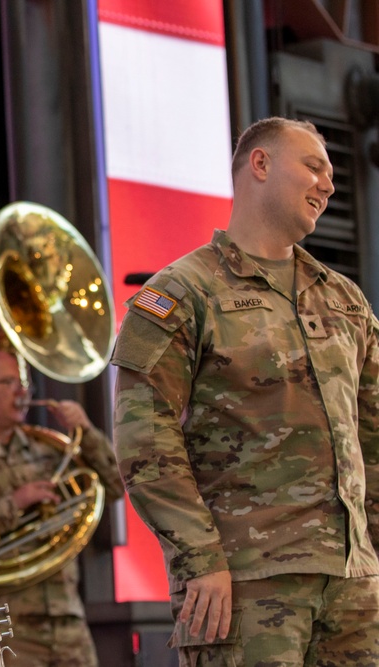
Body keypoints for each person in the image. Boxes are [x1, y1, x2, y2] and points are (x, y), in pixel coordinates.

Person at [112, 116, 379, 665]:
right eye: (313, 167)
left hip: (353, 588)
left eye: (330, 174)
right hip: (243, 581)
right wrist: (200, 556)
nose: (328, 185)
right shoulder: (181, 292)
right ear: (260, 164)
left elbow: (373, 436)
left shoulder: (345, 300)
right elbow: (145, 442)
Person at [0, 350, 125, 666]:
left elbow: (116, 487)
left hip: (67, 617)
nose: (23, 392)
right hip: (7, 624)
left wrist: (86, 432)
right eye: (10, 382)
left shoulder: (48, 448)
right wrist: (14, 503)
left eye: (24, 384)